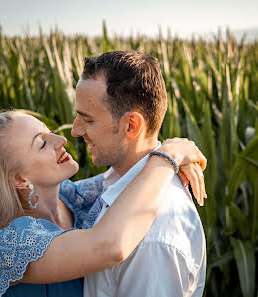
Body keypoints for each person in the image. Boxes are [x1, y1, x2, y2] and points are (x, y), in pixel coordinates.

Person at [0, 110, 207, 297]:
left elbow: (129, 174)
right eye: (41, 143)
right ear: (19, 179)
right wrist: (167, 159)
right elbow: (110, 246)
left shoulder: (71, 198)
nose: (60, 139)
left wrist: (174, 149)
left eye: (49, 131)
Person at [71, 51, 207, 297]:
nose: (75, 130)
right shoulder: (115, 182)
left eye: (87, 119)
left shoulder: (153, 240)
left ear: (131, 125)